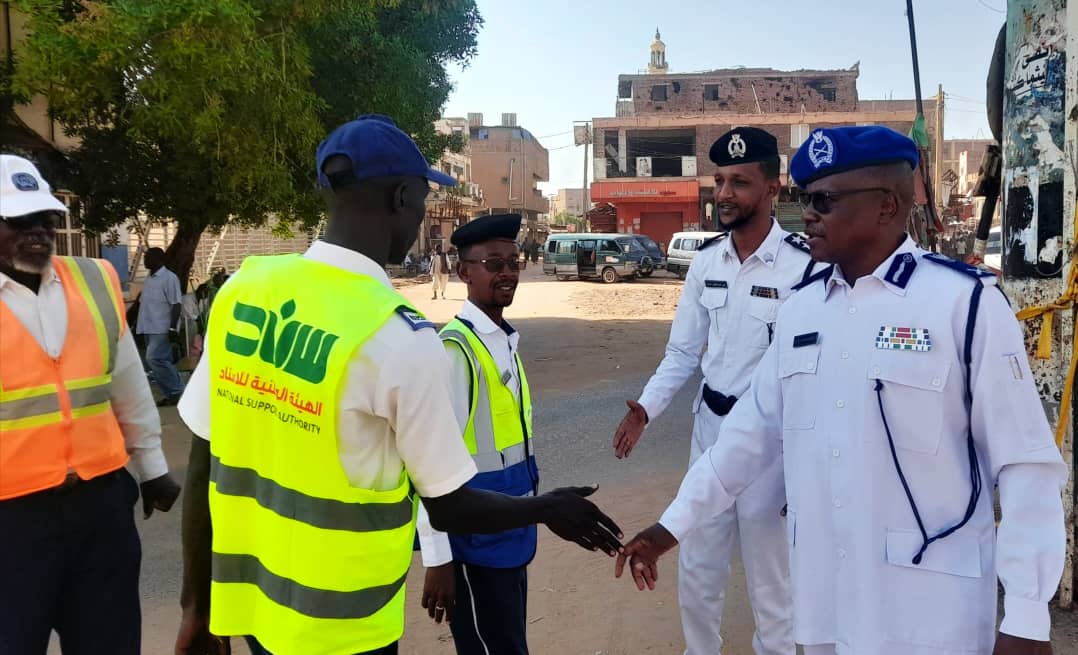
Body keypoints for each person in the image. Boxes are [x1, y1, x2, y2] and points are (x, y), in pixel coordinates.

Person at [174, 115, 623, 655]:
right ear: (403, 197)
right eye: (423, 199)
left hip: (253, 610)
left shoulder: (246, 289)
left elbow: (202, 462)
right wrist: (547, 508)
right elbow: (449, 506)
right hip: (343, 625)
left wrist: (197, 609)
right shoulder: (399, 337)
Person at [615, 126, 1067, 655]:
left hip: (931, 613)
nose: (808, 214)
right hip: (826, 611)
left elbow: (1025, 465)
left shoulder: (963, 305)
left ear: (887, 205)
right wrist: (669, 529)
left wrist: (1028, 616)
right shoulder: (802, 311)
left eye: (825, 201)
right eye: (806, 198)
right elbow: (743, 441)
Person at [611, 127, 807, 655]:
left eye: (739, 182)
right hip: (712, 432)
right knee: (697, 574)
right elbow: (682, 353)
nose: (723, 193)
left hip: (772, 449)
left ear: (773, 187)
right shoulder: (706, 262)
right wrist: (645, 410)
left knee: (773, 586)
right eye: (719, 181)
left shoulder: (804, 266)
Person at [0, 154, 181, 655]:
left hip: (99, 505)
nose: (38, 232)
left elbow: (128, 384)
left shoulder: (94, 281)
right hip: (11, 518)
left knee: (110, 642)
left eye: (45, 219)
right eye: (18, 221)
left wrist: (152, 467)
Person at [416, 213, 537, 654]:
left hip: (508, 532)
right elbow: (426, 460)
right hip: (473, 543)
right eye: (493, 264)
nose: (507, 273)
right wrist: (439, 559)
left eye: (513, 263)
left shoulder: (502, 340)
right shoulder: (456, 350)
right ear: (464, 271)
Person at [137, 245, 185, 405]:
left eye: (148, 257)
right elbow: (143, 304)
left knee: (154, 359)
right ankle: (171, 394)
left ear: (158, 259)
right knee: (155, 362)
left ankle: (178, 391)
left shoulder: (169, 278)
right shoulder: (149, 279)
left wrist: (172, 328)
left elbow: (176, 304)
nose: (145, 260)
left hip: (162, 328)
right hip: (148, 327)